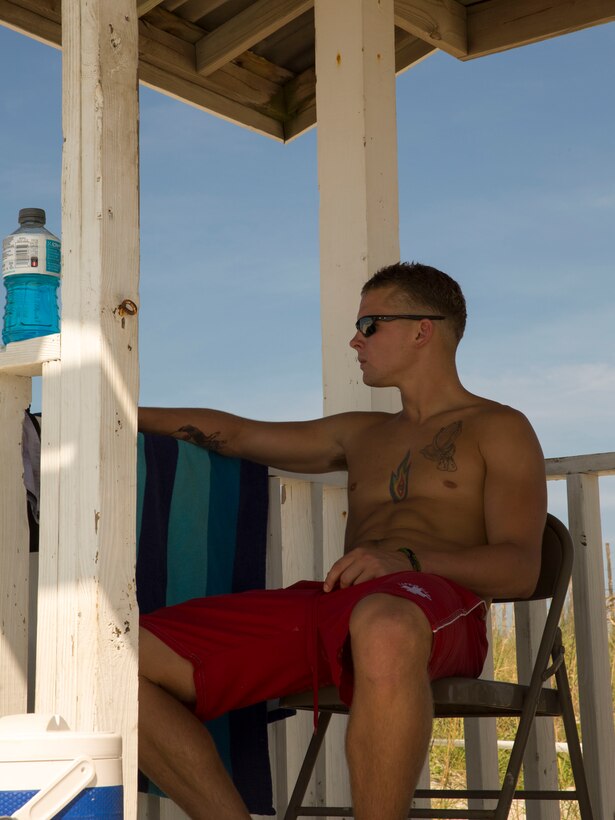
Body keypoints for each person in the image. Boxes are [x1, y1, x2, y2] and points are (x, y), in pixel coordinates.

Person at [138, 261, 547, 820]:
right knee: (118, 654)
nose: (355, 340)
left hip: (433, 609)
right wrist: (111, 414)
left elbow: (520, 569)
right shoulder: (362, 433)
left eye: (370, 324)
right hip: (335, 605)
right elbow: (236, 433)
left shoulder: (500, 427)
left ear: (423, 329)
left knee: (382, 621)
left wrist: (402, 557)